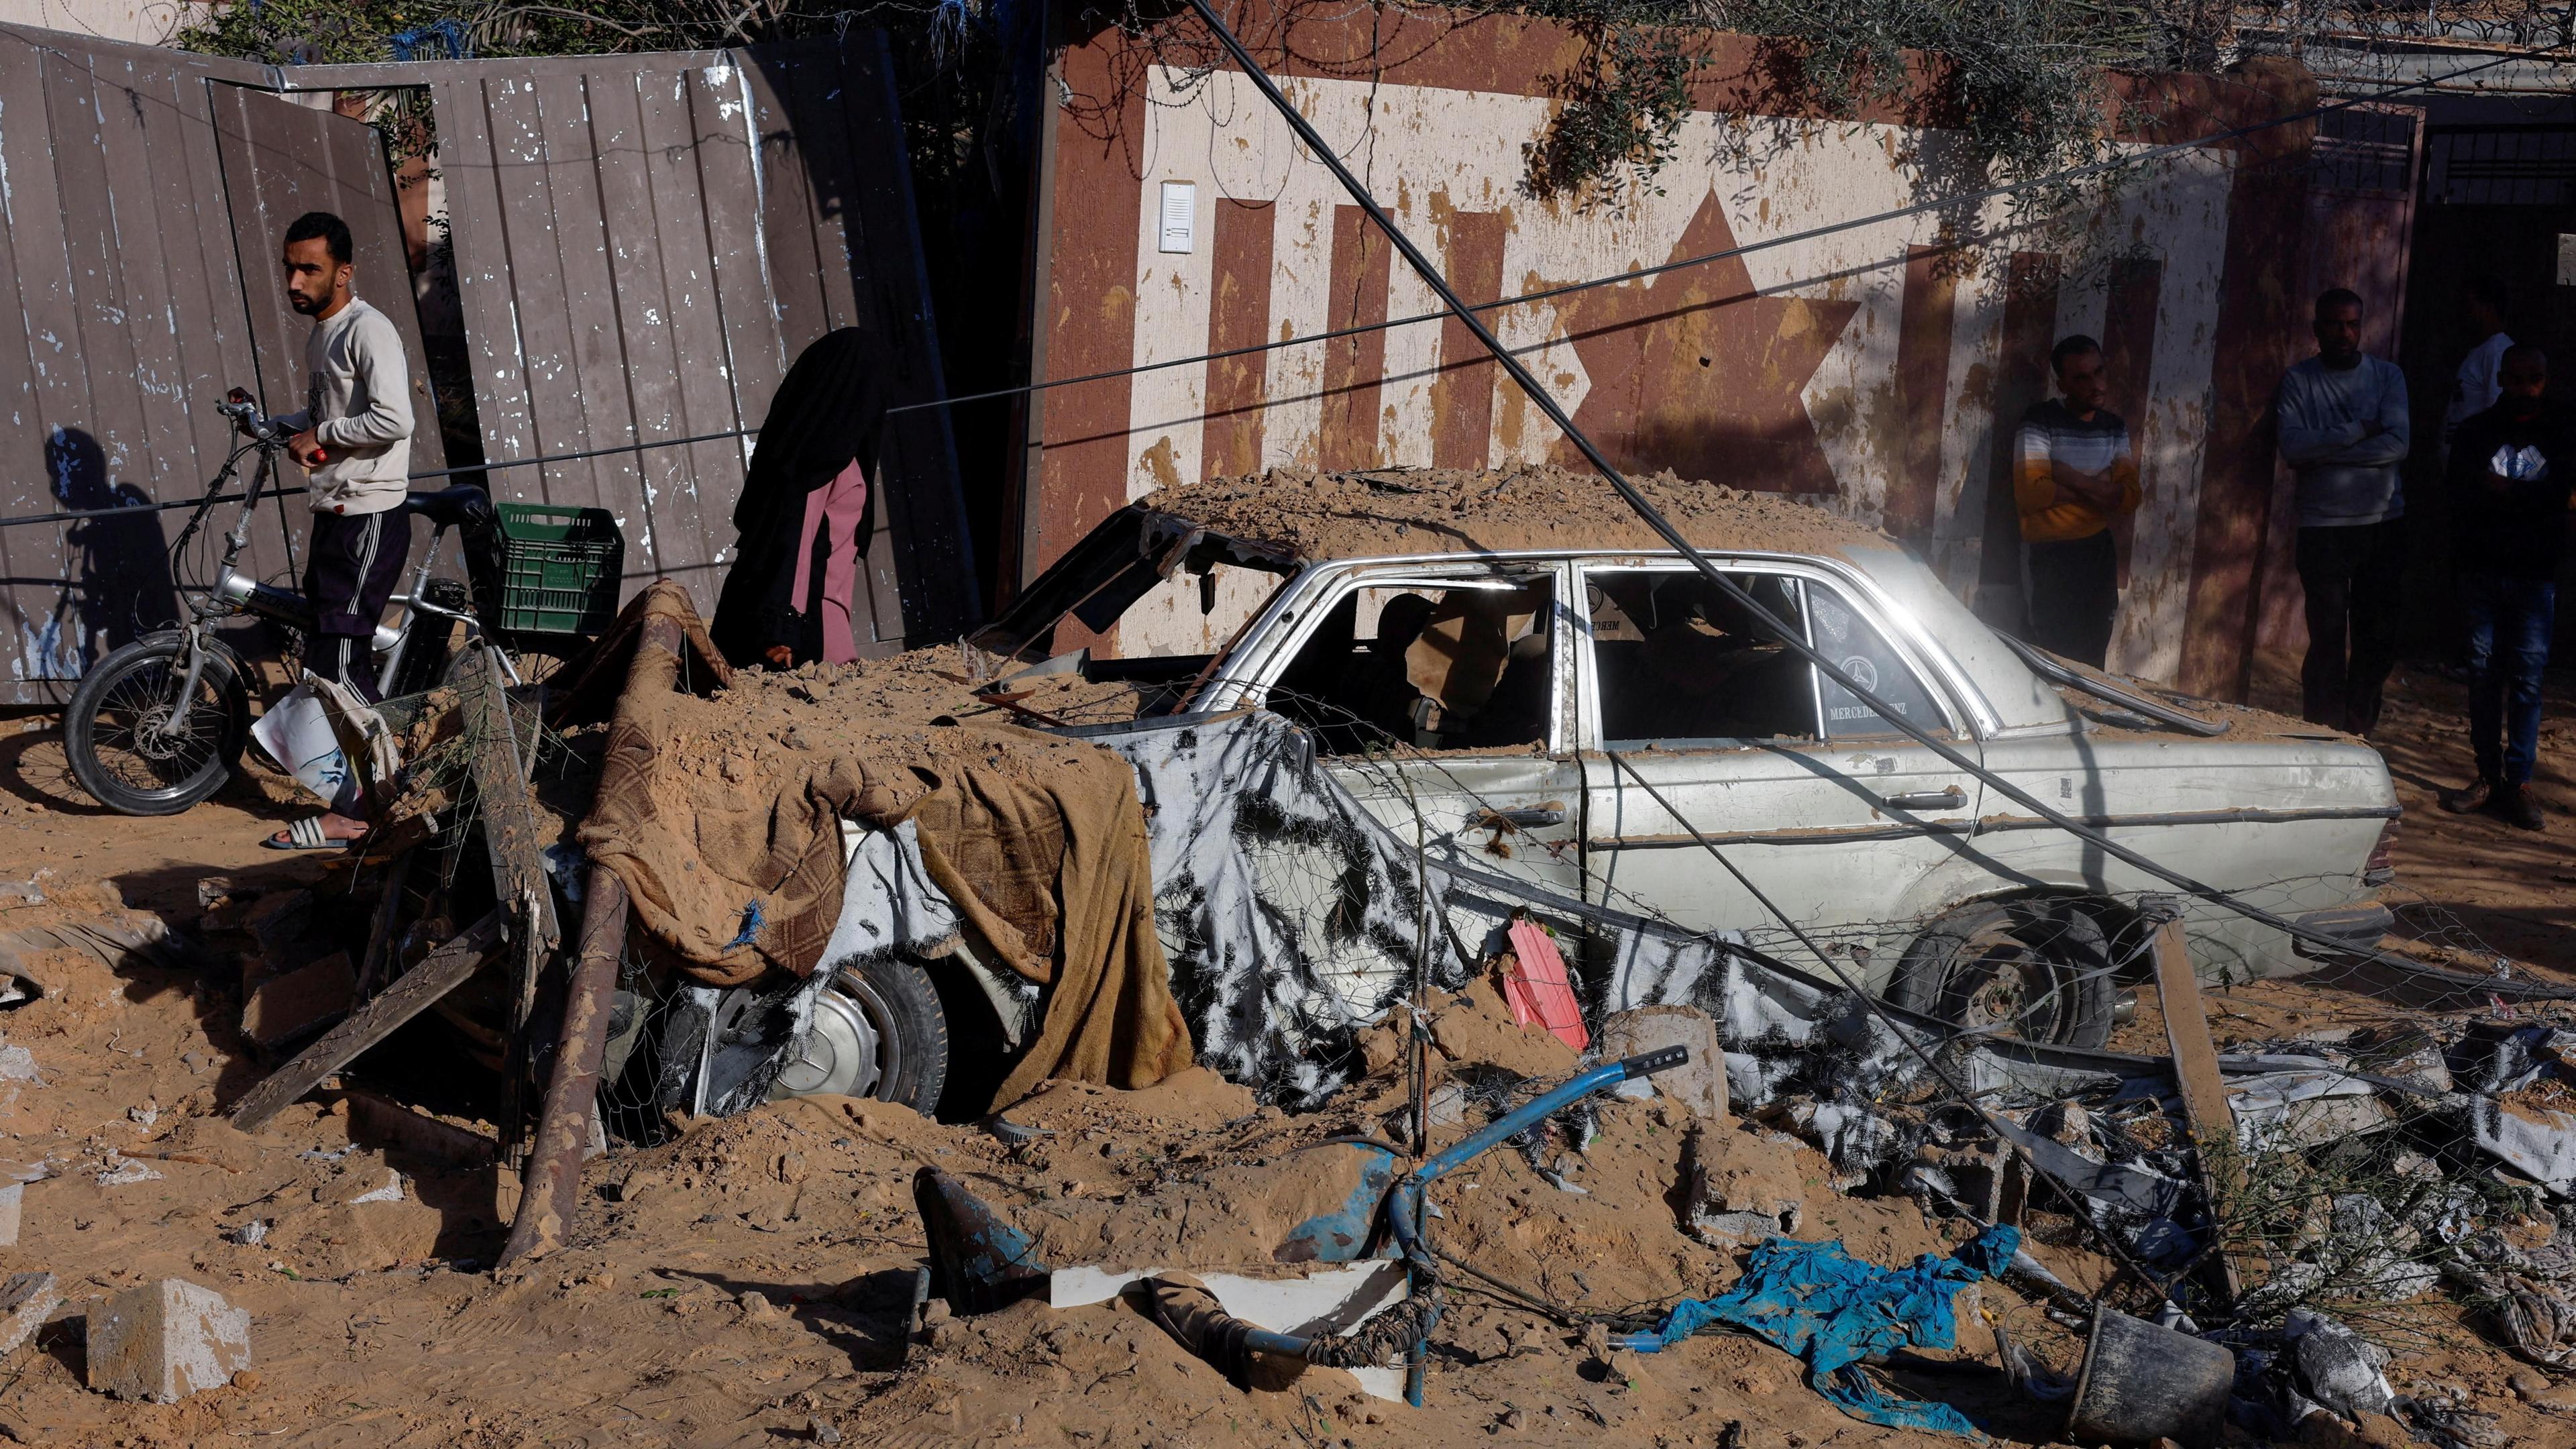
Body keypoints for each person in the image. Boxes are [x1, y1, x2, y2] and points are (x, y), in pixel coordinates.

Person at [264, 210, 415, 848]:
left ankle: (391, 798)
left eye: (310, 269)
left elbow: (393, 418)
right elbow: (334, 411)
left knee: (342, 664)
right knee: (327, 659)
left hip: (369, 515)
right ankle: (355, 800)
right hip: (335, 512)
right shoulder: (322, 334)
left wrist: (319, 435)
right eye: (290, 268)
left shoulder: (368, 330)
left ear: (343, 272)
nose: (296, 281)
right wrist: (281, 421)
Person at [2438, 344, 2569, 830]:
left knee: (2529, 680)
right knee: (2483, 676)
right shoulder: (2477, 432)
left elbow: (2562, 497)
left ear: (2545, 379)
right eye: (2516, 379)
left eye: (2534, 379)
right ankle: (2487, 777)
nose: (2525, 389)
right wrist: (2529, 501)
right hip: (2482, 572)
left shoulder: (2562, 431)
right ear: (2502, 381)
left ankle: (2521, 783)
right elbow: (2461, 495)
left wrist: (2509, 493)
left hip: (2536, 575)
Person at [710, 329, 889, 669]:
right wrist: (782, 627)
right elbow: (793, 542)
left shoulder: (834, 451)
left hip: (818, 616)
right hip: (799, 637)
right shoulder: (816, 459)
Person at [2277, 288, 2410, 737]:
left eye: (2352, 324)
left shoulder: (2388, 377)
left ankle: (2358, 724)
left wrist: (2326, 453)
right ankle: (2323, 730)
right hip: (2323, 527)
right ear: (2317, 330)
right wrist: (2357, 430)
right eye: (2334, 324)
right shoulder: (2299, 381)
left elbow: (2398, 444)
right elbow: (2293, 446)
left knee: (2377, 636)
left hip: (2381, 523)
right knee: (2327, 636)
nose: (2344, 333)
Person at [2011, 335, 2139, 669]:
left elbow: (2128, 498)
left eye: (2099, 372)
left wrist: (2068, 476)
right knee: (2054, 653)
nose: (2096, 385)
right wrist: (2099, 487)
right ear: (2062, 384)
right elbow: (2031, 493)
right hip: (2052, 553)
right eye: (2082, 378)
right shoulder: (2040, 420)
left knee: (2095, 651)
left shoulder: (2113, 428)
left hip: (2097, 551)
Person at [2441, 274, 2514, 468]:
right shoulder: (2480, 351)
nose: (2464, 313)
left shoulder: (2497, 351)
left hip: (2476, 471)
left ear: (2488, 309)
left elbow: (2498, 416)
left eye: (2469, 306)